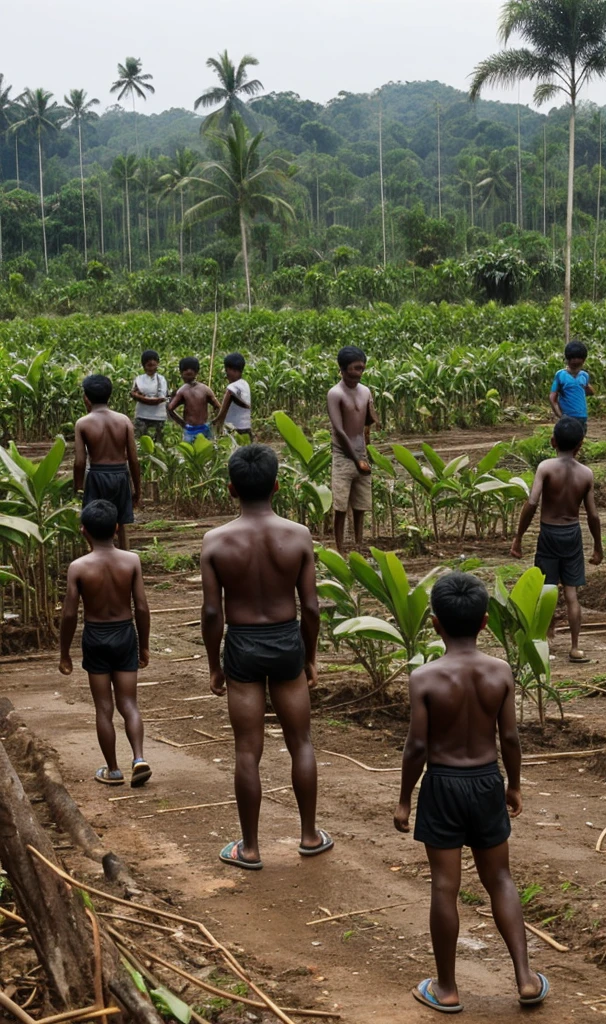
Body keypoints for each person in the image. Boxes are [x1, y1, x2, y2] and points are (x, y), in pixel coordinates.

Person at [394, 572, 548, 1013]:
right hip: (485, 781)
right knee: (500, 878)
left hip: (442, 784)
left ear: (435, 623)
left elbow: (417, 746)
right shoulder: (499, 672)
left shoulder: (424, 677)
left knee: (445, 886)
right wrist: (513, 785)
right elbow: (511, 738)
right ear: (484, 623)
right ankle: (525, 978)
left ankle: (447, 989)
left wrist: (406, 797)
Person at [200, 444, 332, 870]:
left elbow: (211, 612)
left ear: (231, 489)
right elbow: (310, 607)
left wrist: (214, 665)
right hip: (285, 640)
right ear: (277, 485)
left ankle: (251, 847)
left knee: (246, 750)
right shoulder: (298, 535)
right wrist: (309, 656)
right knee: (301, 743)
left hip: (242, 644)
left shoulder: (215, 541)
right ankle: (310, 835)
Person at [58, 499, 152, 788]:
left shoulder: (78, 567)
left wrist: (64, 653)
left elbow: (71, 613)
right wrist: (144, 645)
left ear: (83, 531)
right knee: (129, 703)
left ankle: (112, 770)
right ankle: (138, 758)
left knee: (103, 708)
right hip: (125, 634)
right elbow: (142, 607)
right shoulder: (131, 560)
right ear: (115, 528)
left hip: (96, 636)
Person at [510, 417, 603, 663]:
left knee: (547, 589)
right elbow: (593, 515)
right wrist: (598, 547)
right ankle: (575, 647)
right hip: (572, 534)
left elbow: (532, 503)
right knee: (571, 594)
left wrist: (518, 538)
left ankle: (544, 640)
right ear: (580, 445)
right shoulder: (586, 473)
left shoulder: (545, 467)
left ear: (553, 441)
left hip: (549, 533)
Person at [74, 374, 140, 551]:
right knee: (121, 523)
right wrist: (137, 489)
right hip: (120, 475)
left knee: (93, 521)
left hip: (96, 476)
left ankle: (97, 557)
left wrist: (78, 487)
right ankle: (125, 557)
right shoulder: (124, 420)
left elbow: (80, 462)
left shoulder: (82, 423)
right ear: (109, 395)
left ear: (86, 398)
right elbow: (133, 459)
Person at [327, 346, 379, 554]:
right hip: (343, 455)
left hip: (361, 453)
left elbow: (367, 423)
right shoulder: (335, 393)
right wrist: (356, 458)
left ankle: (358, 544)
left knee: (360, 505)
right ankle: (339, 548)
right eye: (355, 368)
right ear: (342, 368)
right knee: (340, 506)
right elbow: (339, 430)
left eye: (362, 369)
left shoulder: (365, 391)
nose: (359, 373)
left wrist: (366, 452)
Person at [167, 357, 221, 443]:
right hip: (193, 429)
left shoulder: (185, 390)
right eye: (186, 370)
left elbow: (218, 407)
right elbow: (170, 408)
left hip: (200, 428)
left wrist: (214, 421)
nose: (188, 372)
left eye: (190, 369)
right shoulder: (202, 389)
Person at [549, 340, 594, 434]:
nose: (576, 367)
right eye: (574, 364)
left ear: (584, 360)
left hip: (582, 417)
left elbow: (589, 390)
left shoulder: (584, 375)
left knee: (579, 441)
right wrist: (561, 416)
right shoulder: (560, 375)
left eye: (579, 364)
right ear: (567, 360)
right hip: (567, 417)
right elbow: (552, 398)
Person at [130, 349, 169, 444]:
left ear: (157, 364)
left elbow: (160, 398)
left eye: (153, 365)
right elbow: (134, 394)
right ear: (144, 366)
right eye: (148, 365)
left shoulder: (161, 379)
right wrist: (145, 398)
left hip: (159, 417)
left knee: (158, 445)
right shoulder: (139, 379)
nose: (151, 368)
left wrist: (142, 397)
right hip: (141, 416)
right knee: (140, 444)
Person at [214, 352, 252, 441]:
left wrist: (215, 424)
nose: (227, 375)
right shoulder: (245, 384)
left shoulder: (231, 388)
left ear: (233, 370)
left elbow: (223, 412)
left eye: (227, 371)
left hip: (235, 430)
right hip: (246, 429)